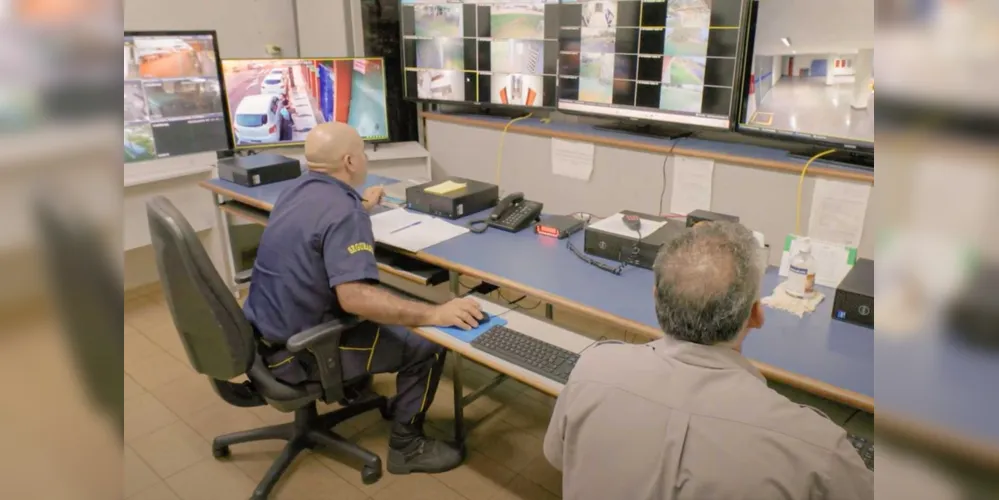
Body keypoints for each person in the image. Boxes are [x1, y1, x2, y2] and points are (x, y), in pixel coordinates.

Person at [543, 222, 873, 499]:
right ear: (756, 316)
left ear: (656, 299)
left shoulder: (591, 370)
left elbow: (558, 458)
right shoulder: (818, 450)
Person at [243, 122, 483, 475]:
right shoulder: (344, 212)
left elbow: (320, 225)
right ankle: (407, 446)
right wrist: (435, 314)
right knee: (425, 344)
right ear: (350, 161)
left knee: (388, 311)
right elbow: (354, 299)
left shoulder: (297, 190)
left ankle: (354, 388)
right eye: (363, 152)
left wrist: (359, 206)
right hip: (299, 352)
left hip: (264, 335)